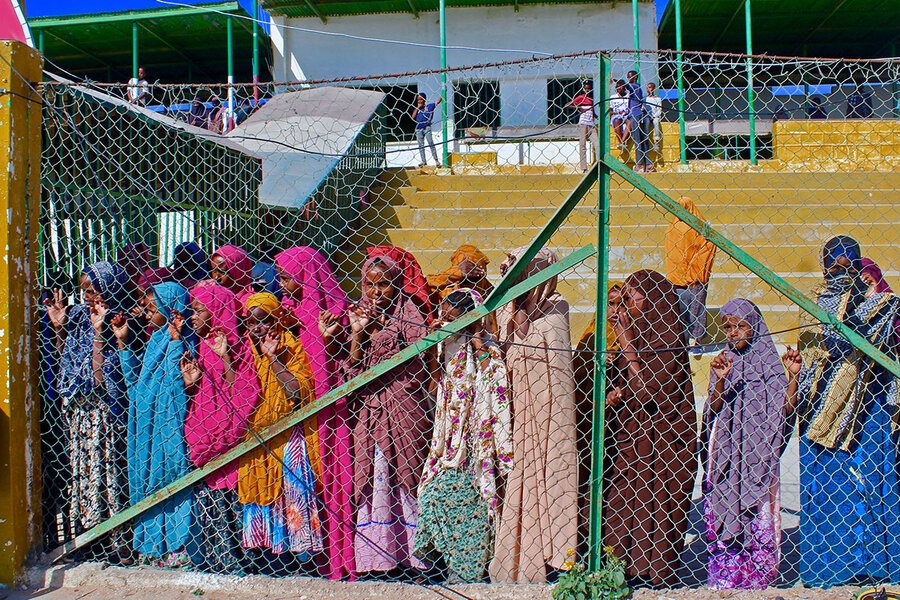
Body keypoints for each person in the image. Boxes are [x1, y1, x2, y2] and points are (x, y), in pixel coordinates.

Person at [793, 235, 900, 587]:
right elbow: (811, 355)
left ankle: (875, 564)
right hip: (820, 411)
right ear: (824, 267)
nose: (840, 272)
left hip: (869, 409)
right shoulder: (810, 304)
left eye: (847, 265)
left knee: (869, 483)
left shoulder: (884, 305)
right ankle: (829, 568)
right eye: (833, 266)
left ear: (858, 265)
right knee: (827, 488)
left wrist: (854, 310)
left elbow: (872, 342)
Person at [341, 251, 434, 575]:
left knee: (405, 476)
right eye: (370, 284)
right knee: (373, 476)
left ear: (396, 284)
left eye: (384, 285)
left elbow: (421, 361)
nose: (376, 292)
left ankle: (414, 556)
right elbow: (352, 371)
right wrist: (359, 332)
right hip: (370, 411)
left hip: (403, 406)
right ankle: (377, 558)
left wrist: (384, 333)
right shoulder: (357, 314)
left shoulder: (409, 314)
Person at [602, 269, 697, 588]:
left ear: (655, 301)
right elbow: (626, 388)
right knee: (622, 496)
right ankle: (621, 568)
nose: (627, 306)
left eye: (632, 298)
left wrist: (627, 346)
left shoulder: (668, 337)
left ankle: (655, 570)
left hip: (665, 442)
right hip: (632, 435)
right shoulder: (636, 334)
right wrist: (614, 394)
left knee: (656, 501)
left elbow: (648, 391)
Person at [490, 247, 578, 584]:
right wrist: (515, 307)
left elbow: (553, 366)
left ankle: (551, 555)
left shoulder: (556, 307)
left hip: (547, 413)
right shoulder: (506, 310)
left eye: (522, 274)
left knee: (549, 472)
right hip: (512, 411)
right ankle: (516, 554)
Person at [415, 289, 513, 583]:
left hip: (477, 443)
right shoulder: (446, 345)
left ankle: (467, 570)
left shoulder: (488, 346)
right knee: (434, 494)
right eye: (443, 316)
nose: (446, 322)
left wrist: (476, 337)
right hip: (449, 443)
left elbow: (494, 378)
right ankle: (443, 564)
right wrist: (434, 346)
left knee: (474, 506)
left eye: (452, 318)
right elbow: (434, 387)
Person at [43, 262, 135, 560]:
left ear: (109, 289)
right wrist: (59, 329)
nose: (87, 297)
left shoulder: (120, 321)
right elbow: (67, 364)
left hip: (104, 416)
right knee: (84, 476)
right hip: (80, 415)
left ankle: (117, 540)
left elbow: (98, 380)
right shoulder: (80, 317)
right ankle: (91, 538)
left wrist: (98, 332)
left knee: (108, 474)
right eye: (83, 291)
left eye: (93, 290)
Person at [275, 246, 356, 580]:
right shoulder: (290, 309)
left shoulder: (335, 311)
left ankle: (340, 557)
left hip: (330, 410)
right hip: (299, 411)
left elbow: (336, 360)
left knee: (333, 474)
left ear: (305, 275)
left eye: (286, 277)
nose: (281, 285)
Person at [703, 299, 788, 589]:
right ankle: (726, 574)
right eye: (727, 327)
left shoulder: (770, 363)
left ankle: (757, 576)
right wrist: (720, 380)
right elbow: (713, 409)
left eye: (740, 326)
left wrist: (794, 378)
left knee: (758, 508)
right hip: (727, 448)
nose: (733, 333)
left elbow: (785, 409)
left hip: (759, 450)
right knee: (723, 499)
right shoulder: (722, 360)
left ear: (755, 326)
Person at [114, 282, 195, 567]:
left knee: (172, 478)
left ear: (170, 310)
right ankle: (151, 547)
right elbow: (134, 384)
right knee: (146, 479)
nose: (147, 315)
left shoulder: (184, 341)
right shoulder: (154, 343)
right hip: (146, 425)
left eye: (152, 309)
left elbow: (176, 385)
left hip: (168, 424)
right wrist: (123, 343)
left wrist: (175, 342)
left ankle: (178, 546)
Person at [182, 284, 260, 574]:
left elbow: (242, 391)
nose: (192, 317)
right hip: (204, 434)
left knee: (233, 501)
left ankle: (245, 561)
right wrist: (191, 384)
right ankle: (217, 559)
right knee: (211, 505)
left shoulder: (241, 348)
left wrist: (226, 356)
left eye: (198, 311)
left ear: (218, 313)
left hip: (231, 438)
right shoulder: (200, 346)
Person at [238, 292, 323, 556]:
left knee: (293, 480)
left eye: (264, 321)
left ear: (276, 320)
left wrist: (273, 358)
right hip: (255, 435)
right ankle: (265, 552)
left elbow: (297, 391)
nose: (257, 328)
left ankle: (301, 552)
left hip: (287, 431)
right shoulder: (244, 350)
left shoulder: (290, 346)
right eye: (251, 323)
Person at [571, 282, 623, 557]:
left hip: (622, 426)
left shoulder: (638, 338)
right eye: (610, 304)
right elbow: (577, 382)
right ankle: (582, 546)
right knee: (584, 482)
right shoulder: (591, 338)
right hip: (588, 422)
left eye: (621, 305)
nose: (615, 311)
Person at [665, 196, 717, 351]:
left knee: (679, 313)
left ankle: (683, 343)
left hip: (675, 279)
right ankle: (697, 343)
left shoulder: (671, 227)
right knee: (696, 311)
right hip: (696, 277)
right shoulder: (698, 227)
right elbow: (708, 246)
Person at [426, 244, 496, 334]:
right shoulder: (447, 294)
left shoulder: (493, 293)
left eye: (473, 269)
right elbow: (422, 287)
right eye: (465, 272)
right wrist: (456, 272)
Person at [210, 245, 255, 310]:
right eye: (214, 271)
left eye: (222, 272)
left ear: (239, 271)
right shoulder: (210, 296)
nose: (216, 278)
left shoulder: (251, 303)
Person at [568, 80, 599, 172]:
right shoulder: (581, 98)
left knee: (597, 144)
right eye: (586, 88)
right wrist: (578, 107)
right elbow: (568, 105)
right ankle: (584, 167)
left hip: (591, 124)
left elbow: (592, 112)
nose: (587, 90)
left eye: (589, 88)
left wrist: (598, 117)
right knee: (583, 145)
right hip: (583, 124)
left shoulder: (592, 99)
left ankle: (599, 164)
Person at [625, 70, 651, 172]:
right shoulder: (637, 88)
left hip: (635, 115)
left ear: (635, 77)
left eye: (629, 76)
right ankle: (647, 164)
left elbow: (627, 86)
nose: (628, 78)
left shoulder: (634, 86)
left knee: (638, 140)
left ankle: (640, 164)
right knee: (643, 139)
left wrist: (618, 82)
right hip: (636, 114)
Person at [412, 93, 442, 167]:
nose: (419, 101)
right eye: (418, 99)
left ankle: (436, 160)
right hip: (419, 129)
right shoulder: (417, 109)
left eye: (421, 99)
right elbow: (413, 117)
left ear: (424, 99)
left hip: (426, 128)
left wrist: (443, 92)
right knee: (421, 146)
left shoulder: (429, 106)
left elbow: (438, 101)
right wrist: (418, 108)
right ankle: (423, 161)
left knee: (431, 143)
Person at [610, 80, 629, 151]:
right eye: (617, 87)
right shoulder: (613, 97)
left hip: (626, 115)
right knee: (617, 121)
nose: (619, 88)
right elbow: (610, 110)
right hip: (617, 116)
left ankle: (622, 141)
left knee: (629, 121)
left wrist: (626, 112)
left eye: (621, 87)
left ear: (624, 87)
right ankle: (622, 142)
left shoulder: (628, 97)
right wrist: (616, 113)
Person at [645, 82, 663, 154]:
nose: (648, 89)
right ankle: (646, 142)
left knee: (656, 122)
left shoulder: (658, 99)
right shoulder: (645, 99)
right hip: (646, 116)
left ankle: (657, 142)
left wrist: (654, 116)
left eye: (650, 87)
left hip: (655, 116)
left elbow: (659, 110)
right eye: (647, 88)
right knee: (645, 123)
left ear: (654, 88)